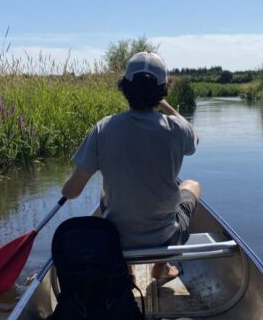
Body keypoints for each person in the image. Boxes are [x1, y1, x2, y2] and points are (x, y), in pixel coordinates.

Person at [61, 51, 201, 281]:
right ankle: (162, 266)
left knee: (105, 191)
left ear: (125, 88)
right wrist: (164, 105)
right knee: (192, 185)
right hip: (166, 236)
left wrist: (65, 190)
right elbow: (193, 137)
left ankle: (127, 269)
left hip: (116, 238)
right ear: (162, 91)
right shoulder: (178, 129)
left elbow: (72, 192)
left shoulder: (103, 128)